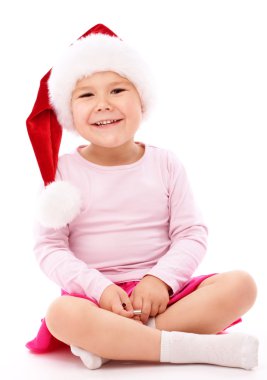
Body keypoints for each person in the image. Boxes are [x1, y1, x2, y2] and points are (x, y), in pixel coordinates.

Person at [26, 24, 258, 370]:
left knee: (242, 286)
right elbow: (50, 248)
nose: (103, 104)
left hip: (166, 297)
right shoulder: (62, 173)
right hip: (97, 301)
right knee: (62, 314)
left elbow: (191, 234)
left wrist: (160, 280)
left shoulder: (165, 163)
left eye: (117, 90)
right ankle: (193, 348)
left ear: (142, 100)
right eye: (86, 95)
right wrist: (98, 288)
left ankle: (115, 344)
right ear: (68, 113)